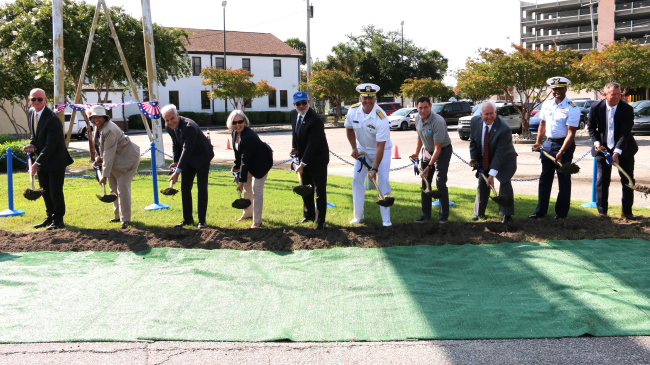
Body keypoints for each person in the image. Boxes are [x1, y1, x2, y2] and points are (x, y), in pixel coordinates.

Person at [530, 77, 581, 220]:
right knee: (545, 178)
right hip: (548, 144)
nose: (556, 92)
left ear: (565, 89)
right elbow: (542, 124)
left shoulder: (572, 108)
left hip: (563, 145)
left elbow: (571, 133)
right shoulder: (547, 104)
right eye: (554, 89)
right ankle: (540, 211)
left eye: (560, 88)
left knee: (563, 179)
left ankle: (561, 213)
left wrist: (561, 151)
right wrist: (538, 142)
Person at [22, 88, 73, 230]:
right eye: (33, 99)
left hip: (56, 160)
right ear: (29, 100)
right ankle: (50, 216)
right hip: (42, 160)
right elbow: (36, 135)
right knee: (44, 190)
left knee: (55, 192)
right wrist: (31, 144)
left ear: (45, 100)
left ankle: (58, 221)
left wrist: (36, 163)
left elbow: (51, 145)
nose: (36, 101)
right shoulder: (32, 112)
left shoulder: (52, 119)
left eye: (39, 99)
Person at [587, 82, 639, 219]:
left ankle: (626, 212)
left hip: (625, 149)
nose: (617, 97)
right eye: (613, 94)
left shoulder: (627, 109)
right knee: (602, 181)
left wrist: (617, 152)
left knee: (628, 180)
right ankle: (602, 212)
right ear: (605, 95)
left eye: (619, 93)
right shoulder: (595, 108)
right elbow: (591, 128)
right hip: (603, 149)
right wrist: (597, 143)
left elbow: (625, 133)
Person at [344, 83, 393, 227]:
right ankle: (358, 216)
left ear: (375, 98)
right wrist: (354, 147)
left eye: (370, 98)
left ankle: (386, 219)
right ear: (360, 98)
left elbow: (380, 146)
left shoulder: (381, 116)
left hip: (381, 151)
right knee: (356, 180)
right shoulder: (353, 111)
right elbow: (348, 129)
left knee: (383, 180)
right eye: (364, 98)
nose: (367, 101)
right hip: (362, 150)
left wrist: (375, 169)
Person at [87, 105, 141, 229]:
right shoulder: (98, 128)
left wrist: (104, 175)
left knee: (122, 188)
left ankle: (125, 219)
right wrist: (97, 160)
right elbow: (99, 147)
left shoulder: (109, 129)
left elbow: (109, 153)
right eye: (93, 117)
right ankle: (118, 216)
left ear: (104, 117)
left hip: (128, 161)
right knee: (113, 189)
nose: (96, 120)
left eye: (99, 117)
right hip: (115, 162)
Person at [163, 104, 214, 229]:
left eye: (172, 118)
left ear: (177, 116)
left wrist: (177, 172)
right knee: (185, 188)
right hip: (188, 159)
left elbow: (187, 149)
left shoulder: (189, 127)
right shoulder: (168, 126)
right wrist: (176, 162)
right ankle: (187, 219)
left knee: (201, 189)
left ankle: (202, 221)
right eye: (166, 120)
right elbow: (176, 144)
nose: (170, 122)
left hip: (202, 157)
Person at [469, 101, 518, 224]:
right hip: (485, 157)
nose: (489, 116)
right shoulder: (474, 122)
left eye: (492, 113)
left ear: (496, 113)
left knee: (504, 183)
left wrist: (492, 174)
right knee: (482, 183)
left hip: (505, 159)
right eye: (486, 114)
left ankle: (507, 215)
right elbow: (473, 142)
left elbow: (500, 154)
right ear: (481, 114)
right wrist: (474, 158)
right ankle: (479, 212)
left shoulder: (504, 128)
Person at [290, 91, 330, 231]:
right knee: (306, 188)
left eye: (304, 103)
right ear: (294, 104)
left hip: (318, 159)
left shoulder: (315, 120)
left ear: (308, 102)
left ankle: (320, 221)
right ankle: (308, 215)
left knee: (319, 190)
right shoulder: (293, 114)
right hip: (303, 158)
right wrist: (294, 149)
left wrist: (302, 164)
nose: (302, 106)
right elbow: (295, 133)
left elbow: (313, 144)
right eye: (298, 104)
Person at [409, 96, 453, 223]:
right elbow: (419, 136)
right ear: (417, 108)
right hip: (427, 151)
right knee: (425, 182)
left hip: (443, 151)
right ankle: (426, 214)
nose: (423, 110)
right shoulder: (417, 117)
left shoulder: (438, 121)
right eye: (420, 108)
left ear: (431, 106)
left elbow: (438, 148)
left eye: (426, 107)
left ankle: (443, 216)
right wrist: (417, 154)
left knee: (440, 183)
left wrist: (429, 166)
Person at [229, 110, 273, 229]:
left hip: (260, 165)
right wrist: (235, 165)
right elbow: (238, 153)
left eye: (240, 121)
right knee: (247, 190)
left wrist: (241, 181)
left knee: (256, 190)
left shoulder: (249, 136)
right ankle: (247, 214)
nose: (237, 124)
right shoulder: (234, 133)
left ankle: (257, 221)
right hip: (248, 164)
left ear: (245, 121)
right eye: (234, 122)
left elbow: (245, 159)